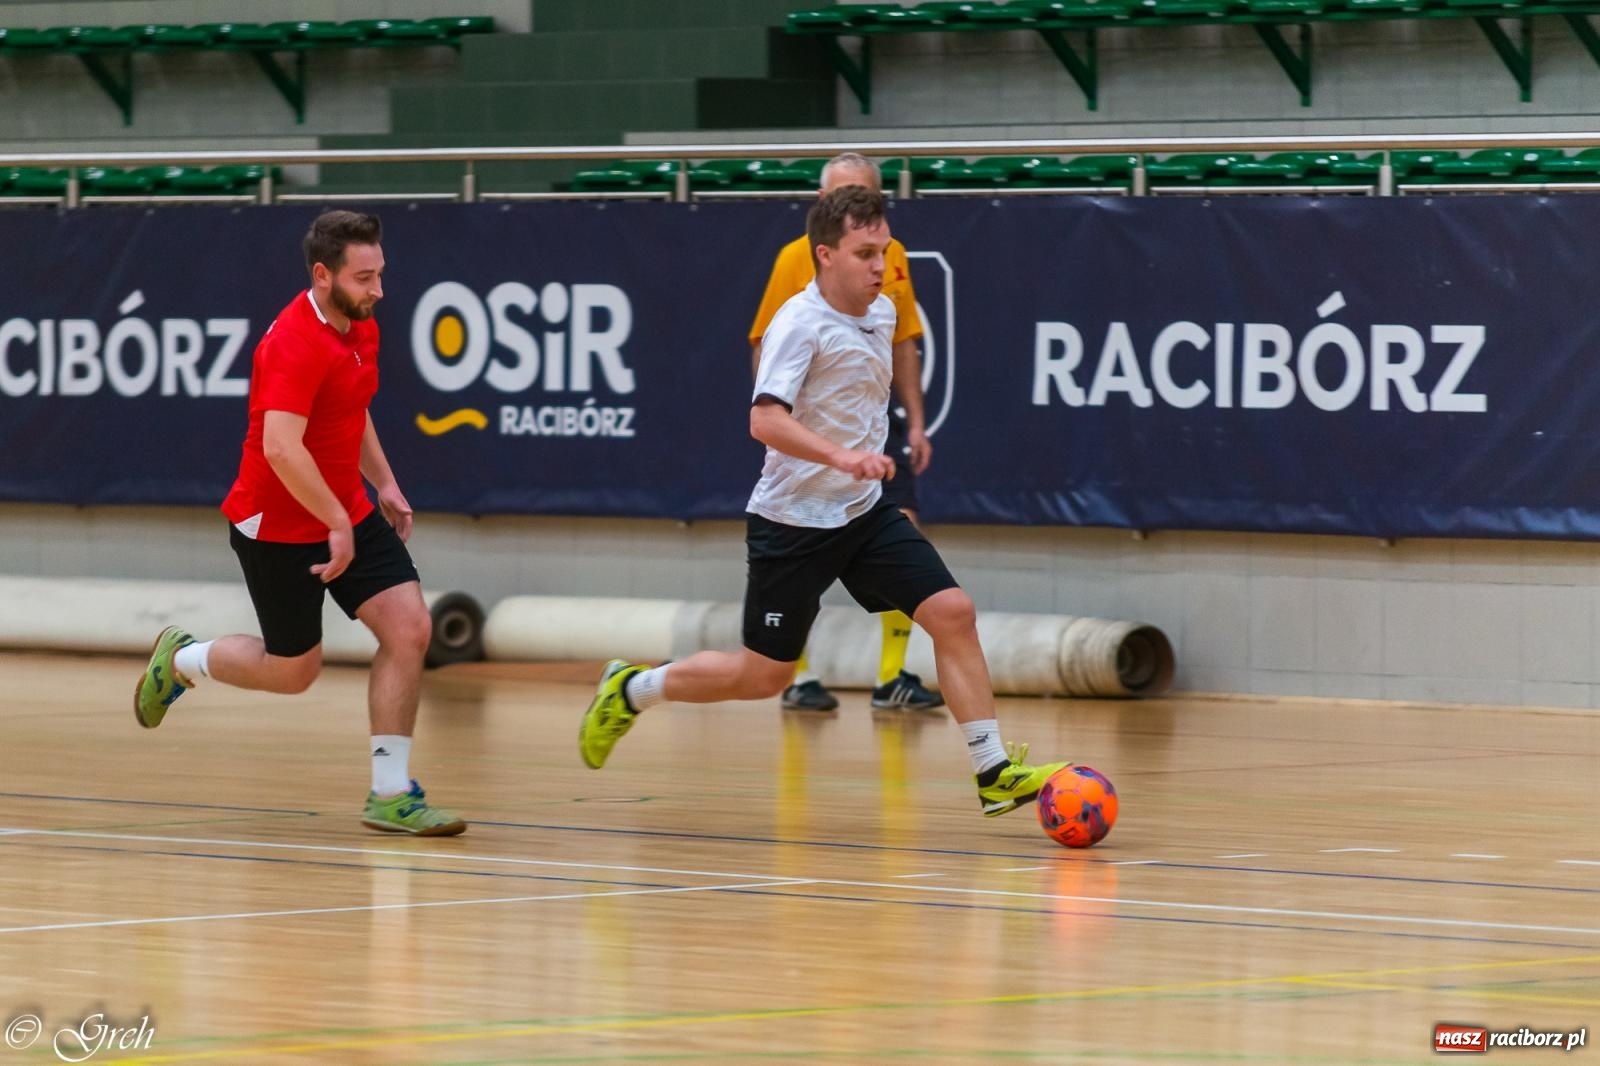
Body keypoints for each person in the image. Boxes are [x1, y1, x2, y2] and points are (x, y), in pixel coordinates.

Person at [580, 186, 1067, 818]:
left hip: (863, 512)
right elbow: (764, 421)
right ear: (825, 255)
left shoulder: (884, 311)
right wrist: (841, 456)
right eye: (866, 253)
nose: (880, 267)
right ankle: (633, 688)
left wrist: (867, 463)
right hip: (794, 523)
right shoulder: (797, 325)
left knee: (952, 611)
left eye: (885, 251)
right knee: (763, 676)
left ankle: (992, 769)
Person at [132, 210, 465, 837]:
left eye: (380, 274)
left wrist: (383, 482)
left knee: (410, 629)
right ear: (322, 274)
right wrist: (335, 520)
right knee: (294, 671)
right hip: (279, 522)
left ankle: (390, 794)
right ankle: (184, 660)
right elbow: (283, 448)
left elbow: (351, 408)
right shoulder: (292, 342)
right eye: (365, 278)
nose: (379, 291)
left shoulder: (359, 324)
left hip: (345, 508)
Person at [748, 152, 942, 713]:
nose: (849, 204)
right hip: (812, 435)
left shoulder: (893, 258)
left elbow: (902, 337)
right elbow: (767, 344)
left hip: (872, 437)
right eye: (838, 194)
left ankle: (894, 676)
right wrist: (790, 419)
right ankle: (797, 674)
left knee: (907, 536)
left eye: (861, 193)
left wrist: (915, 420)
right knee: (797, 574)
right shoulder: (797, 259)